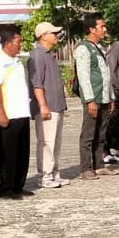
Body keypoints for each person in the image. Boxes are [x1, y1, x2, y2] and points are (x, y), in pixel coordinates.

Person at [0, 27, 32, 198]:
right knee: (8, 153)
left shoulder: (17, 61)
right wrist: (1, 113)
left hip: (22, 111)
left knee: (22, 151)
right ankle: (6, 187)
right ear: (7, 43)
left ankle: (18, 185)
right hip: (8, 113)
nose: (20, 45)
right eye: (18, 42)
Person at [73, 13, 115, 179]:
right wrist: (89, 100)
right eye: (101, 26)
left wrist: (110, 97)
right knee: (89, 134)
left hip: (104, 97)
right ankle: (86, 168)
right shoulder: (83, 48)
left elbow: (106, 75)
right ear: (91, 29)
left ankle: (99, 165)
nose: (104, 29)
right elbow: (83, 76)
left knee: (101, 133)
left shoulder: (100, 48)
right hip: (93, 97)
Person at [29, 21, 69, 188]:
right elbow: (37, 83)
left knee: (56, 142)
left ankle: (54, 172)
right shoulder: (37, 55)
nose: (56, 36)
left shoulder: (49, 54)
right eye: (53, 33)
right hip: (47, 106)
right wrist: (43, 105)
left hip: (57, 105)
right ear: (43, 36)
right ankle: (44, 175)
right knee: (46, 142)